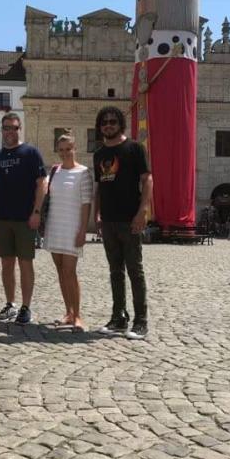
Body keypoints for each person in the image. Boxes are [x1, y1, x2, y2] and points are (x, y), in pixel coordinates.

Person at [93, 106, 152, 340]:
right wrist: (97, 214)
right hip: (108, 220)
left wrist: (142, 211)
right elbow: (99, 187)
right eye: (104, 122)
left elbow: (147, 180)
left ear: (120, 124)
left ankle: (141, 322)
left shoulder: (134, 148)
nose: (108, 125)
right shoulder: (99, 154)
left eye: (112, 121)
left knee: (135, 271)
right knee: (115, 271)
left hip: (130, 218)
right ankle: (119, 318)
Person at [0, 112, 47, 325]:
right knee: (6, 264)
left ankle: (26, 306)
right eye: (6, 128)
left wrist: (37, 212)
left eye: (14, 127)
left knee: (25, 263)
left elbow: (42, 183)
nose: (10, 131)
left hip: (25, 218)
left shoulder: (30, 153)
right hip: (4, 218)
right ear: (2, 130)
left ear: (20, 129)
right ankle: (10, 304)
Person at [43, 132, 92, 332]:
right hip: (55, 226)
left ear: (75, 149)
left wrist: (83, 230)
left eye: (68, 149)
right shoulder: (54, 171)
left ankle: (78, 315)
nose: (64, 153)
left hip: (72, 228)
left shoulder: (83, 172)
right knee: (61, 272)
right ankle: (68, 312)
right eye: (61, 150)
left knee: (70, 272)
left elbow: (86, 204)